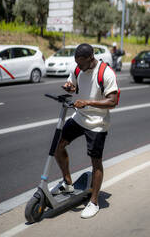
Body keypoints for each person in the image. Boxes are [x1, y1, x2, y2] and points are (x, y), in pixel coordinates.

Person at [51, 43, 118, 219]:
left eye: (81, 63)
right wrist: (69, 86)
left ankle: (94, 202)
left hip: (97, 123)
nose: (78, 66)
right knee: (59, 145)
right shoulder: (78, 68)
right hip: (79, 117)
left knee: (96, 161)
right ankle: (67, 183)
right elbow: (73, 84)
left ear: (91, 58)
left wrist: (87, 102)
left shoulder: (106, 73)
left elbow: (112, 101)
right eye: (76, 63)